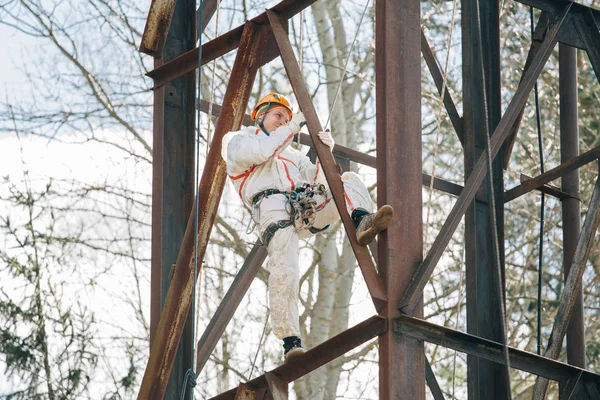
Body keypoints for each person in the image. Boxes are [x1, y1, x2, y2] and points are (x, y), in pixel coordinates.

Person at [221, 92, 393, 362]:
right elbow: (262, 152)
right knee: (285, 268)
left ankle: (361, 220)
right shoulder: (239, 141)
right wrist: (291, 129)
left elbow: (320, 181)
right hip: (272, 209)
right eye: (278, 115)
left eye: (287, 118)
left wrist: (326, 152)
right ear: (260, 115)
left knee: (347, 178)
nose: (283, 121)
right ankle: (290, 340)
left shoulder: (292, 154)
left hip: (303, 209)